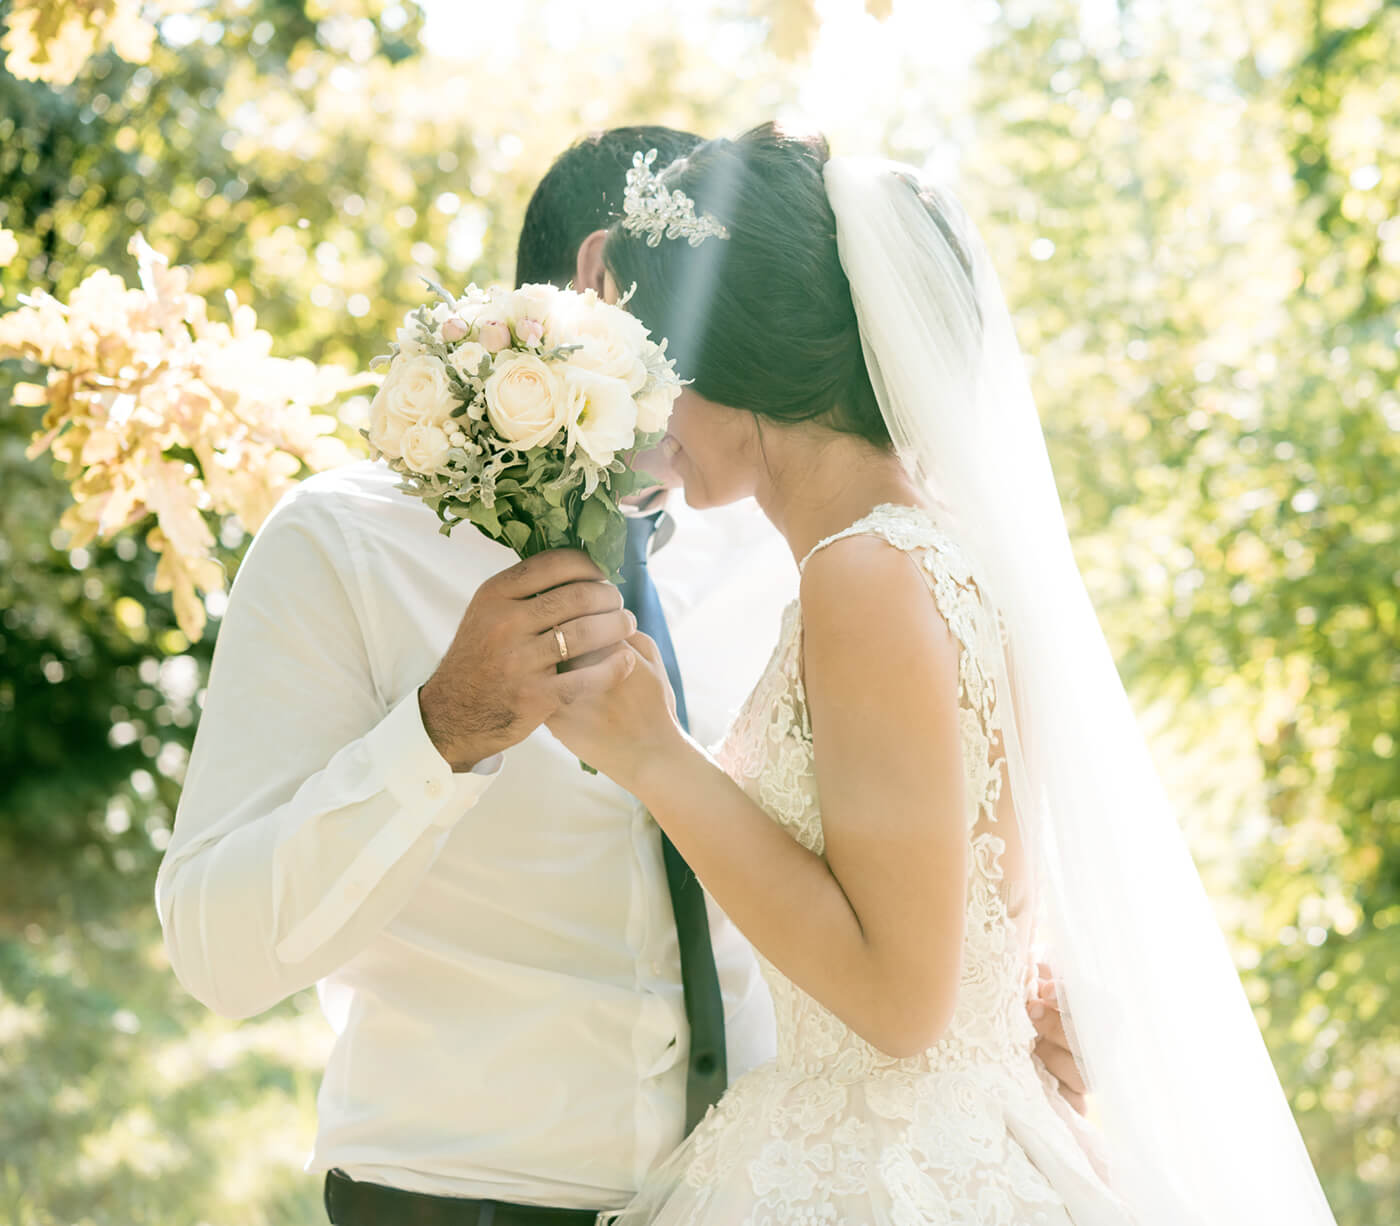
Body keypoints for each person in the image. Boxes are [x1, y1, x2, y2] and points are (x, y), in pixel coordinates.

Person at [154, 125, 1084, 1226]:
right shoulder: (344, 544)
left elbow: (932, 889)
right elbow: (215, 956)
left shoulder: (816, 548)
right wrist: (439, 731)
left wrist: (1027, 978)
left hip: (818, 1182)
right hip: (475, 1198)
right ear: (593, 284)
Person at [547, 125, 1340, 1225]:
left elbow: (899, 1001)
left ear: (735, 352)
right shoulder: (927, 544)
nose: (647, 406)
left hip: (890, 1170)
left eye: (654, 360)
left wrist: (654, 756)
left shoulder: (864, 574)